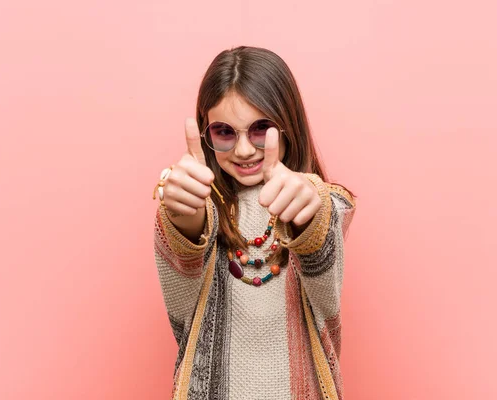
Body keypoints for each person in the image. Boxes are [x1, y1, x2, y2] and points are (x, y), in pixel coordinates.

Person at [153, 46, 356, 400]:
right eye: (225, 132)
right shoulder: (203, 209)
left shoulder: (324, 204)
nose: (244, 150)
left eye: (261, 128)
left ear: (288, 123)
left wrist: (309, 203)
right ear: (206, 133)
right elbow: (181, 297)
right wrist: (182, 217)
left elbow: (326, 227)